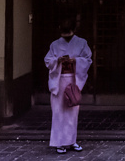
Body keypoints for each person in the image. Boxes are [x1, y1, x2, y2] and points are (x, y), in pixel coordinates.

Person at [44, 18, 92, 154]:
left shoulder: (82, 43)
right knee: (58, 112)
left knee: (72, 113)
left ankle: (71, 141)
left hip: (73, 80)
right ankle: (59, 142)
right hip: (59, 81)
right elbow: (47, 60)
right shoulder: (54, 44)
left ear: (74, 30)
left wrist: (75, 60)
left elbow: (88, 59)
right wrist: (57, 60)